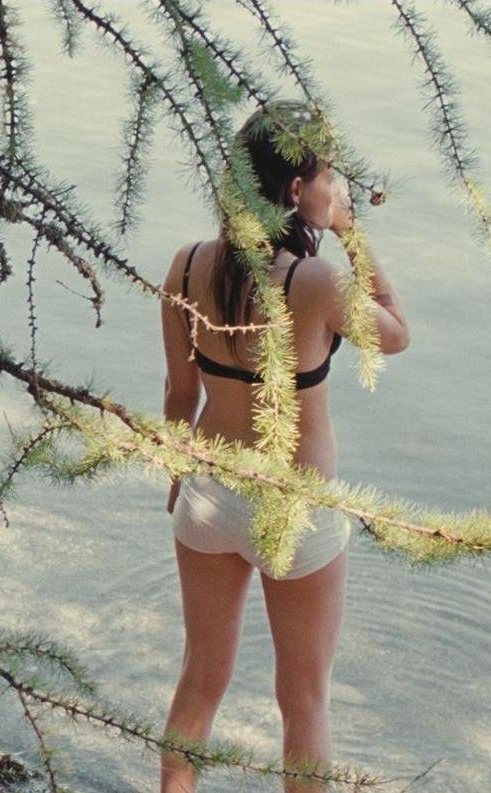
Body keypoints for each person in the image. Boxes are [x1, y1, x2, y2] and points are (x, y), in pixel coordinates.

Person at [155, 101, 409, 793]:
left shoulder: (187, 266)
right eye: (327, 176)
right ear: (297, 189)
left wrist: (178, 477)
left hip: (208, 495)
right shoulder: (315, 281)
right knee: (304, 701)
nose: (335, 186)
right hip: (297, 509)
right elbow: (396, 332)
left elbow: (179, 395)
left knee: (200, 679)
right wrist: (350, 229)